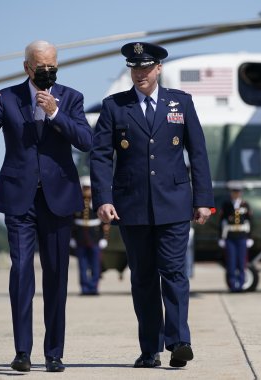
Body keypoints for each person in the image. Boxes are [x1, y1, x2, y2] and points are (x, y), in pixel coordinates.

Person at [0, 40, 92, 373]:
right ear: (27, 67)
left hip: (59, 199)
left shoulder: (71, 98)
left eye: (53, 65)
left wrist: (55, 113)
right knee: (21, 272)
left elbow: (86, 140)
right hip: (20, 199)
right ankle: (22, 351)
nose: (48, 71)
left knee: (56, 275)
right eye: (41, 66)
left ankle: (54, 352)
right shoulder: (7, 98)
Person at [90, 42, 214, 369]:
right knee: (143, 278)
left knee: (174, 272)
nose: (140, 73)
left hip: (174, 205)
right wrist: (103, 199)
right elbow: (101, 156)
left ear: (158, 68)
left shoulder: (180, 103)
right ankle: (150, 349)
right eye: (135, 68)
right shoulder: (115, 106)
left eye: (146, 68)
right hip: (131, 207)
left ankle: (178, 342)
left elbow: (197, 153)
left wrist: (203, 200)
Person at [71, 175, 109, 295]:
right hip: (80, 237)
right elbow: (71, 222)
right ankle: (85, 288)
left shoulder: (98, 203)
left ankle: (93, 288)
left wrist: (104, 238)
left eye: (88, 188)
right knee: (82, 265)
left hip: (95, 237)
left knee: (95, 265)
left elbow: (105, 223)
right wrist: (71, 237)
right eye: (85, 188)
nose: (87, 190)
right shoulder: (76, 203)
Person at [218, 181, 254, 292]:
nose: (236, 194)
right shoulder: (227, 205)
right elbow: (222, 222)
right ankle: (233, 284)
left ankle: (241, 284)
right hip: (230, 237)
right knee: (231, 263)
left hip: (242, 237)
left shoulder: (245, 205)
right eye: (234, 191)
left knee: (242, 262)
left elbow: (250, 222)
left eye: (238, 191)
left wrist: (250, 237)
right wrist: (221, 238)